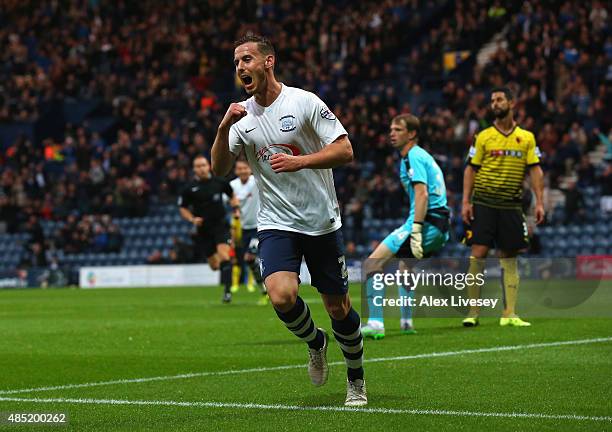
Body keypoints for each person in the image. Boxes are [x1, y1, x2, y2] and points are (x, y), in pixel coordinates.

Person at [211, 34, 366, 406]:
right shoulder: (241, 118)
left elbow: (345, 150)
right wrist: (222, 127)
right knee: (281, 295)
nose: (240, 67)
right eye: (236, 62)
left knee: (338, 308)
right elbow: (219, 170)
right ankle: (316, 343)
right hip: (276, 222)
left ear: (268, 61)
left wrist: (300, 161)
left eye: (247, 59)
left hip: (320, 221)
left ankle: (356, 378)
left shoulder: (304, 102)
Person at [461, 86, 545, 327]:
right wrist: (466, 201)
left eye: (499, 99)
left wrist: (539, 202)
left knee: (509, 257)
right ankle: (473, 312)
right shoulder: (483, 136)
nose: (495, 103)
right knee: (478, 254)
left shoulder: (527, 138)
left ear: (512, 103)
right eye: (492, 100)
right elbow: (471, 169)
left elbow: (535, 170)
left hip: (511, 204)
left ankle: (509, 313)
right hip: (484, 202)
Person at [361, 114, 450, 340]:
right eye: (391, 129)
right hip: (441, 225)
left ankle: (375, 323)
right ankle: (407, 321)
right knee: (405, 269)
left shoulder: (412, 156)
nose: (392, 133)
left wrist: (417, 229)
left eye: (398, 129)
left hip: (426, 221)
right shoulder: (422, 156)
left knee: (372, 264)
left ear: (412, 134)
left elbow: (422, 193)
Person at [178, 155, 239, 303]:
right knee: (214, 265)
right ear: (194, 169)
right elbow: (183, 208)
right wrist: (192, 219)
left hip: (220, 225)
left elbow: (232, 196)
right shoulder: (189, 189)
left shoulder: (219, 182)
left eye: (203, 165)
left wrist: (236, 209)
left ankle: (227, 292)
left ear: (209, 166)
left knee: (224, 256)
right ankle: (227, 271)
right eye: (198, 166)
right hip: (203, 230)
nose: (201, 168)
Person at [229, 159, 268, 305]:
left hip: (259, 225)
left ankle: (268, 288)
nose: (243, 171)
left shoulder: (255, 181)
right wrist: (234, 207)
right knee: (248, 260)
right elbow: (230, 202)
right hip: (243, 228)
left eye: (245, 168)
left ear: (250, 169)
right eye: (239, 169)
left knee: (250, 257)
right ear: (236, 171)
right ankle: (264, 290)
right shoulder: (233, 185)